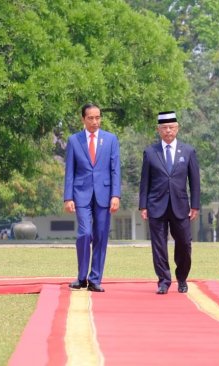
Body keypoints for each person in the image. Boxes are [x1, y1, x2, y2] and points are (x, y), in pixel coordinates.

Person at [139, 111, 200, 295]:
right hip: (156, 205)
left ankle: (182, 278)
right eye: (164, 128)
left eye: (171, 127)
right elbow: (145, 182)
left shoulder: (188, 151)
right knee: (158, 245)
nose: (168, 131)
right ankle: (164, 280)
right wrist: (143, 205)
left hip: (180, 206)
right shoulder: (150, 153)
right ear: (158, 130)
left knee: (184, 244)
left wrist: (195, 205)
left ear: (177, 128)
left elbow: (195, 181)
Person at [63, 103, 121, 293]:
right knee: (85, 233)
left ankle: (95, 278)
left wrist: (115, 195)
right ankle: (81, 277)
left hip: (104, 195)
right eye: (90, 118)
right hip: (81, 194)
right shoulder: (74, 140)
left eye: (98, 117)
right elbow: (69, 171)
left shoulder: (110, 140)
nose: (95, 121)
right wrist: (68, 197)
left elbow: (115, 170)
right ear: (83, 119)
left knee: (101, 236)